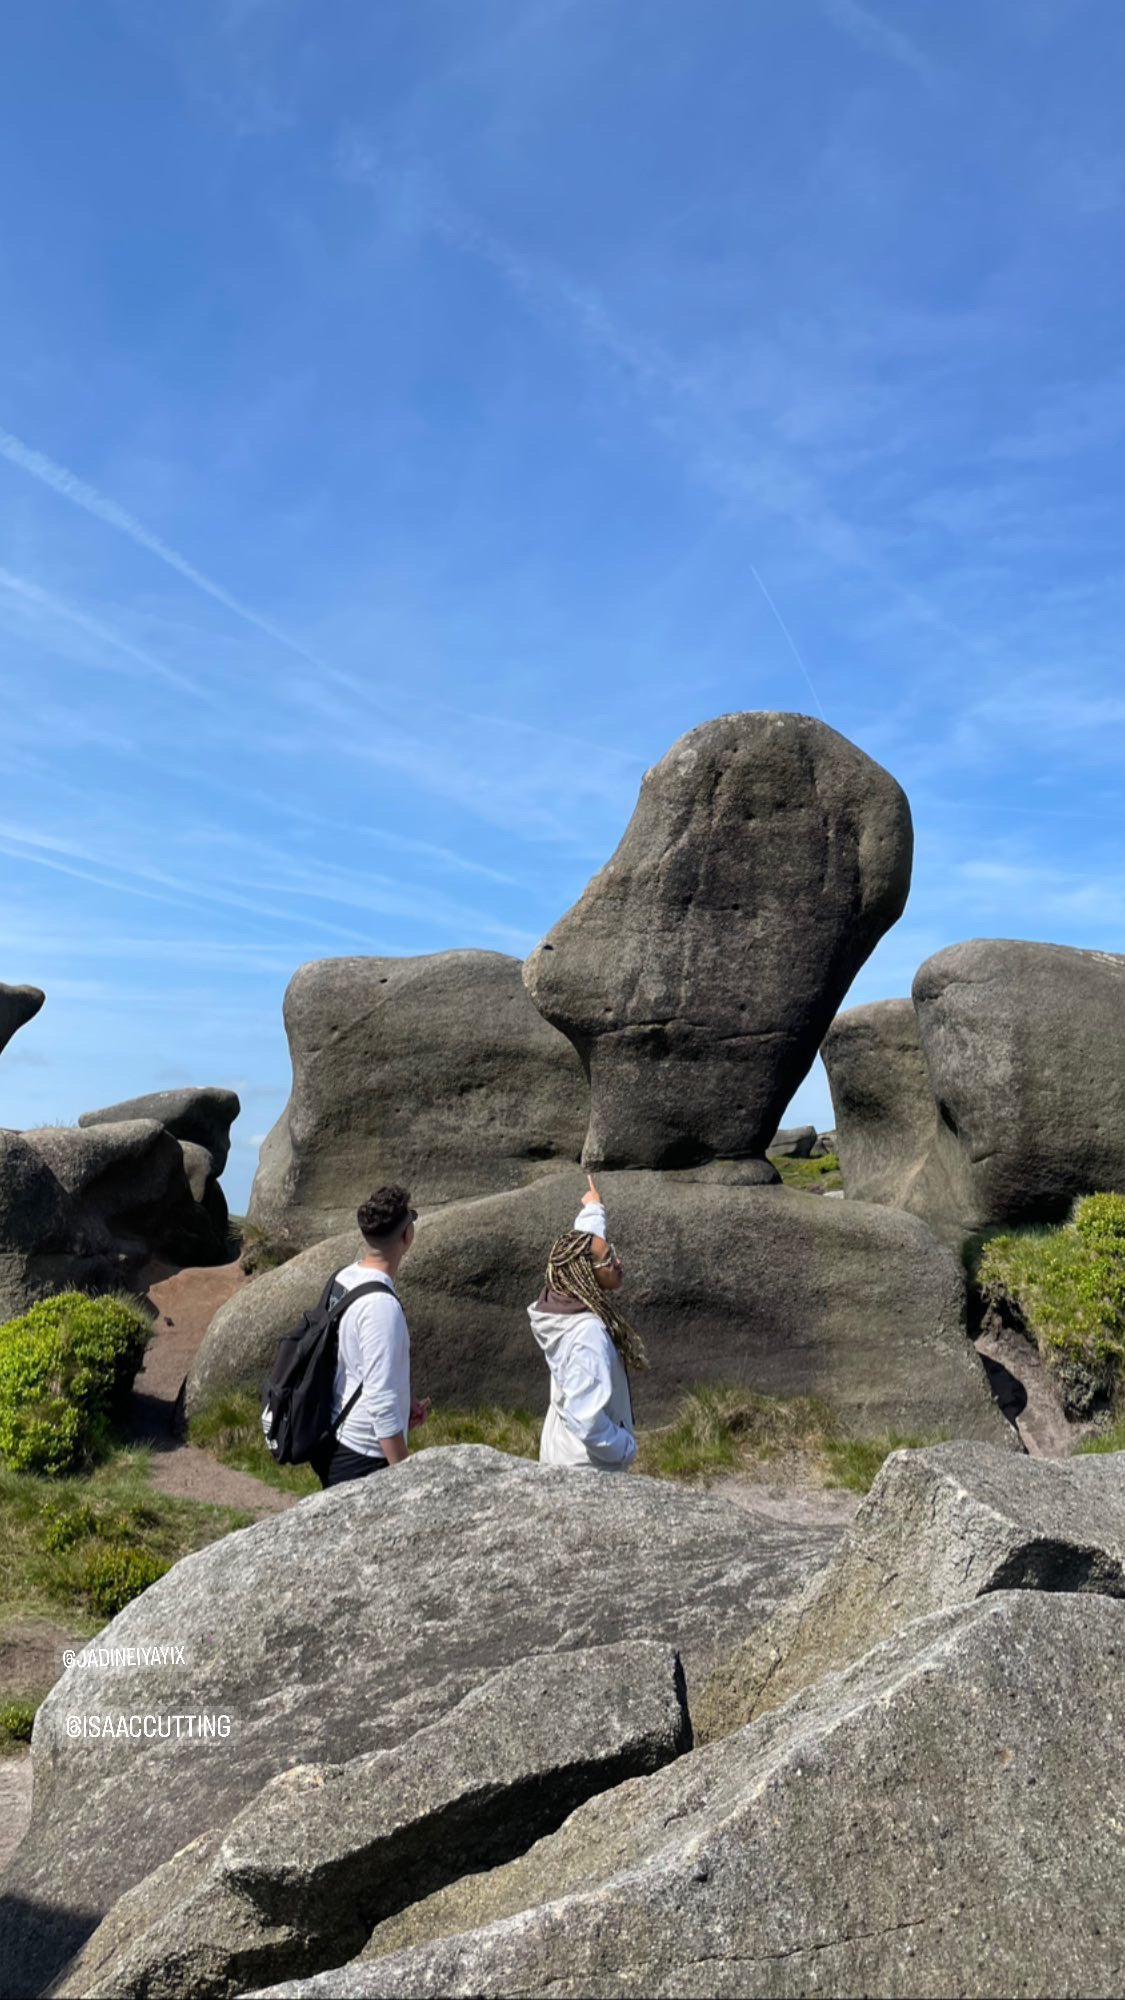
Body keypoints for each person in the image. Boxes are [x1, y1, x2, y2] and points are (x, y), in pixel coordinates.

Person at [310, 1183, 431, 1489]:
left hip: (335, 1436)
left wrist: (406, 1405)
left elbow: (351, 1362)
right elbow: (380, 1401)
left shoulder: (344, 1278)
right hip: (364, 1454)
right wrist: (403, 1472)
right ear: (407, 1235)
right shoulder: (381, 1306)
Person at [528, 1174, 648, 1470]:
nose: (617, 1262)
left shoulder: (560, 1300)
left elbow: (583, 1247)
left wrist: (594, 1209)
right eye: (610, 1259)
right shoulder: (588, 1336)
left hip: (561, 1449)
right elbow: (588, 1422)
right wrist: (626, 1448)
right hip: (585, 1470)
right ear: (586, 1275)